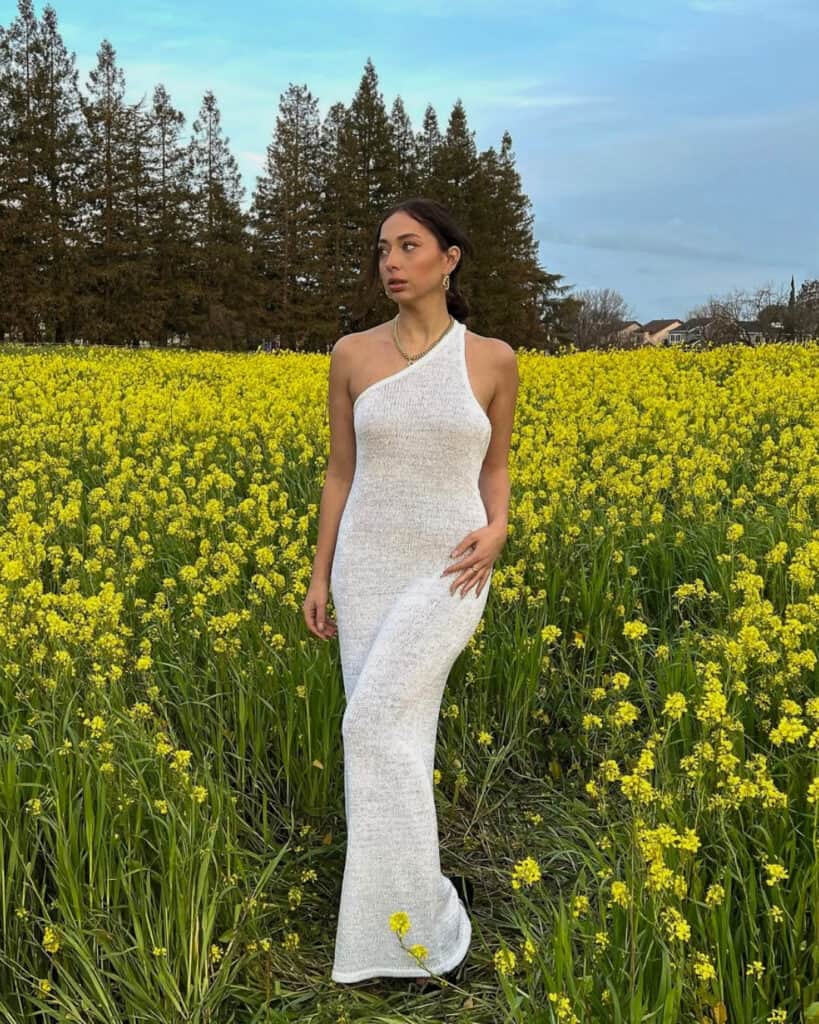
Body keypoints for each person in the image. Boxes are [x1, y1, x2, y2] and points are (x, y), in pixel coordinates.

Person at [303, 197, 518, 989]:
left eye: (408, 246)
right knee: (395, 741)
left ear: (448, 259)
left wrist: (499, 528)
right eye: (382, 249)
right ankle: (404, 926)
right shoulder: (351, 354)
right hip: (365, 567)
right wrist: (320, 573)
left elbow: (494, 466)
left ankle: (411, 925)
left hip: (451, 570)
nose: (390, 262)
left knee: (368, 729)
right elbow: (340, 472)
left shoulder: (492, 359)